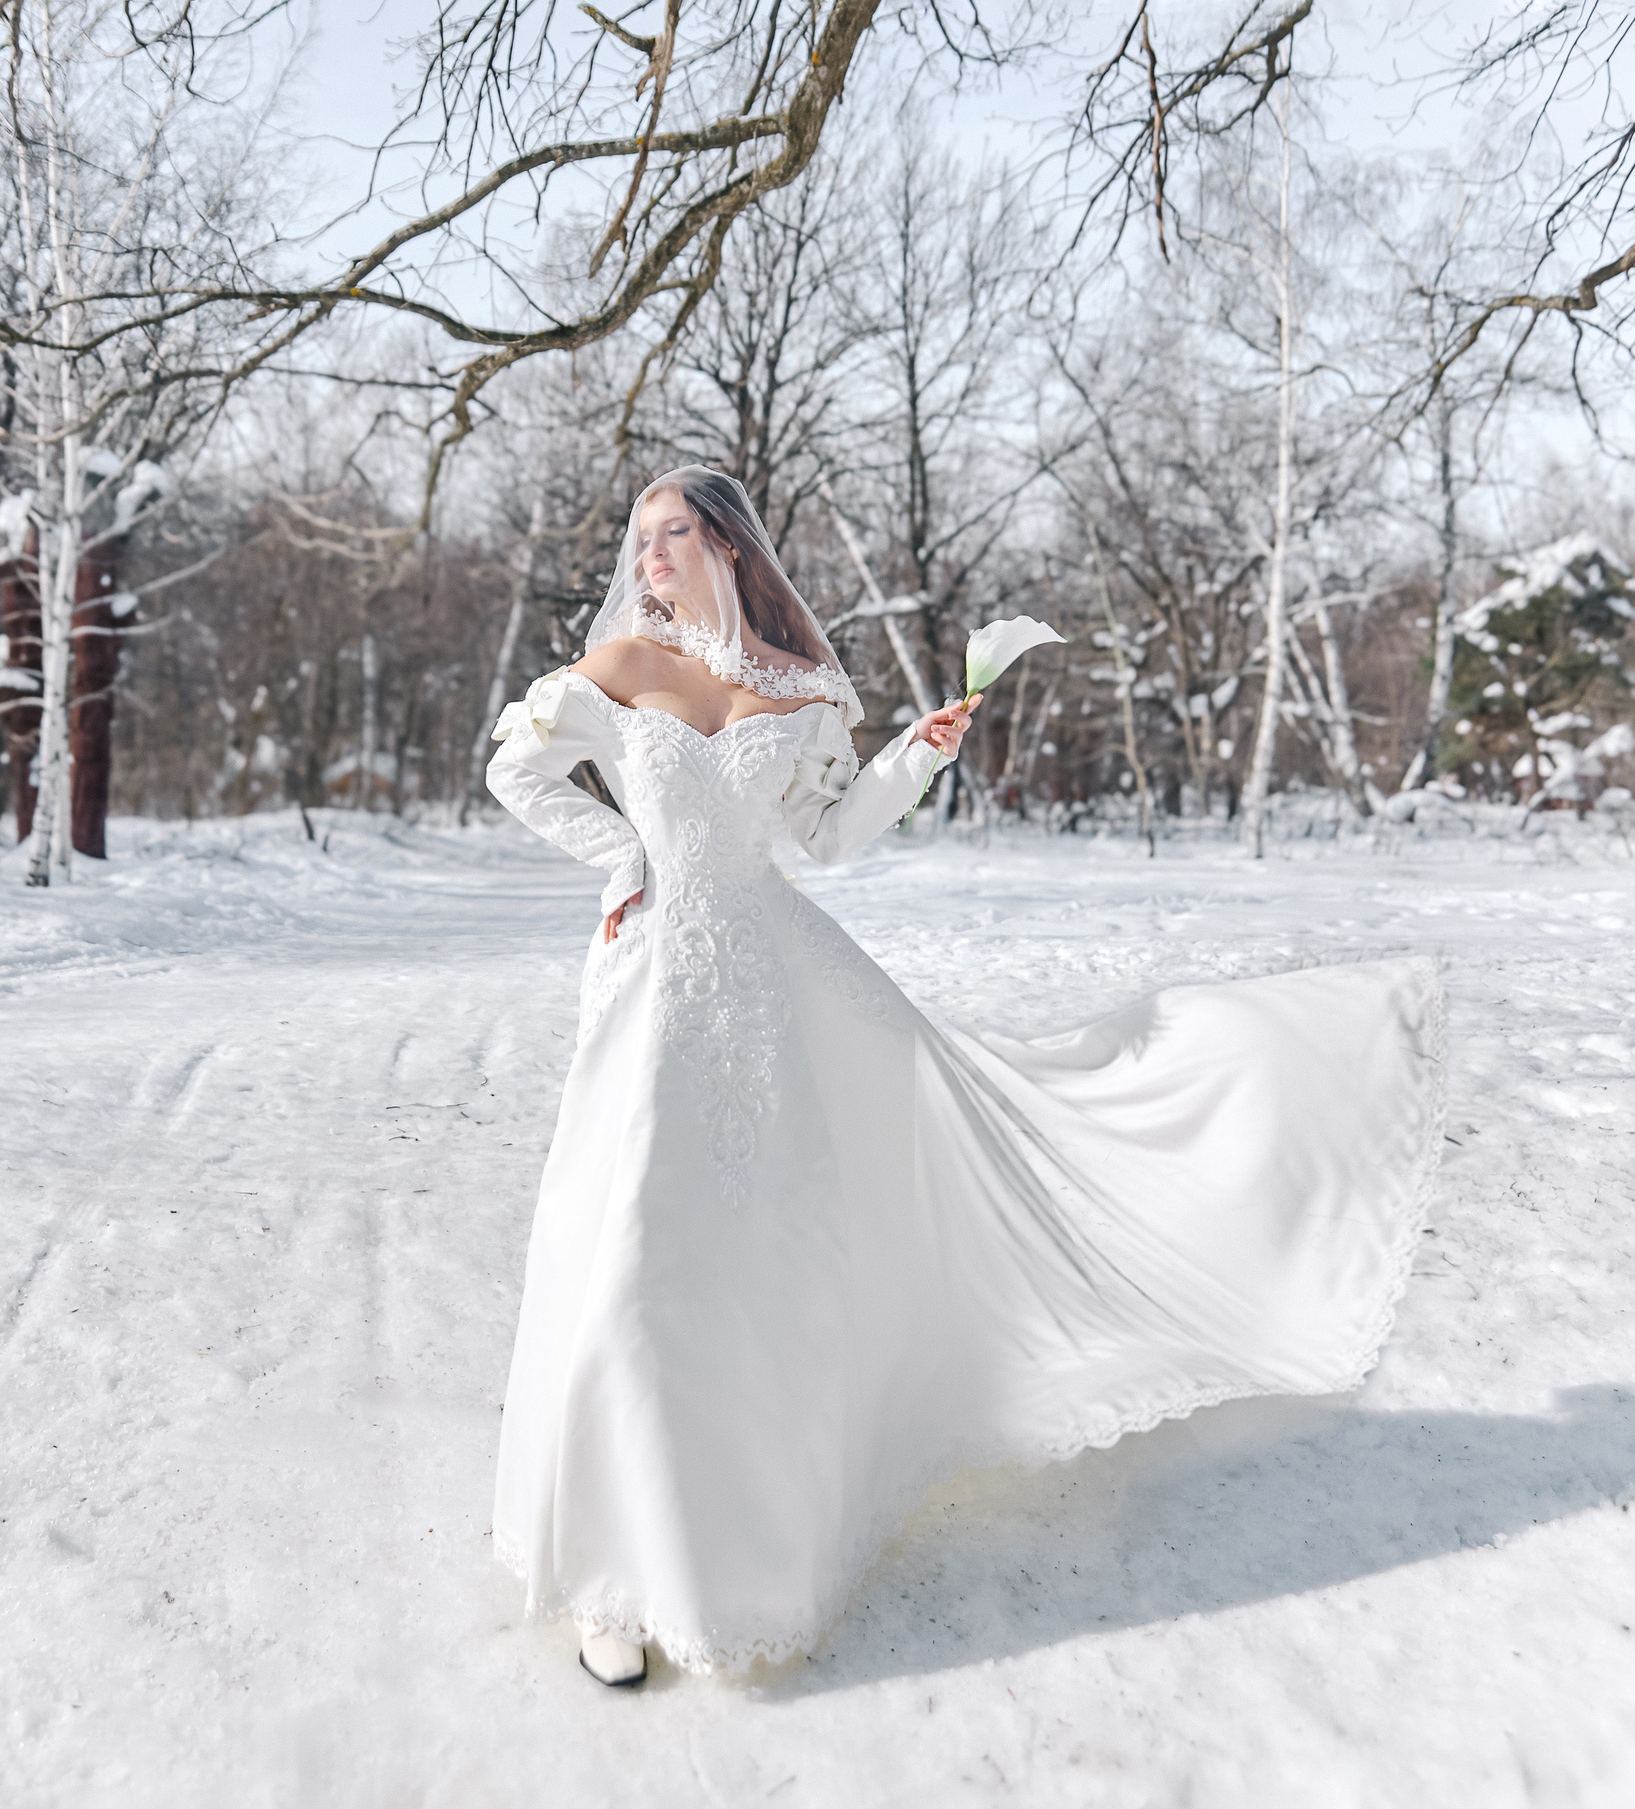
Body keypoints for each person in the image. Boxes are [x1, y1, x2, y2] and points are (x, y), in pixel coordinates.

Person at [485, 465, 1444, 1686]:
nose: (650, 555)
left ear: (729, 546)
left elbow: (823, 840)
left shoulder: (802, 691)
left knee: (767, 1267)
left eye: (674, 532)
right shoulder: (622, 667)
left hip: (779, 984)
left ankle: (739, 1542)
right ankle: (611, 1574)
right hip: (655, 987)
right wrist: (620, 857)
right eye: (639, 536)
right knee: (629, 1253)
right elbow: (515, 772)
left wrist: (914, 757)